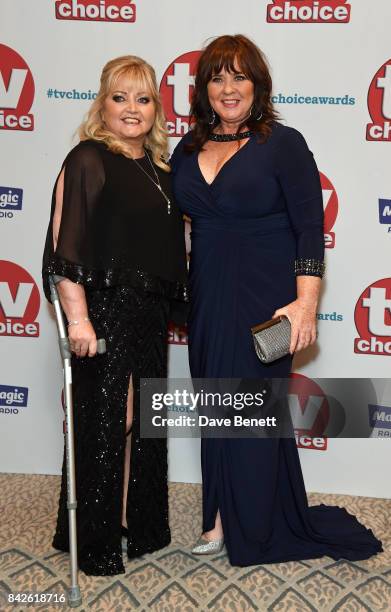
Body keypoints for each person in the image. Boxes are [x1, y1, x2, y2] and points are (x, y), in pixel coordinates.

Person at [171, 35, 382, 565]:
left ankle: (258, 528)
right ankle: (219, 520)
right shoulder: (187, 148)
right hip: (208, 298)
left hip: (270, 302)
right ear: (204, 89)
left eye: (239, 77)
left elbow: (311, 229)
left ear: (258, 85)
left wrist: (306, 305)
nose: (228, 88)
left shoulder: (283, 144)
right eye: (217, 78)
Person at [42, 55, 188, 576]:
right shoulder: (88, 158)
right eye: (120, 97)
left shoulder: (159, 170)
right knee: (107, 421)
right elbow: (67, 248)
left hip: (148, 315)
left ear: (156, 109)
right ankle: (94, 538)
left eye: (143, 98)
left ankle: (133, 522)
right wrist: (78, 319)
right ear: (102, 103)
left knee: (139, 421)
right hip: (103, 310)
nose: (131, 109)